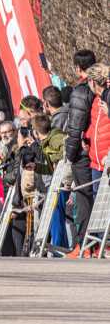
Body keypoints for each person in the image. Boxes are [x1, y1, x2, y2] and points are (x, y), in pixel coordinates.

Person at [63, 49, 97, 257]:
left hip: (83, 153)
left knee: (84, 197)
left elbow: (75, 126)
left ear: (77, 68)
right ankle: (96, 242)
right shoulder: (100, 86)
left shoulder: (81, 90)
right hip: (97, 148)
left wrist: (69, 154)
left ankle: (84, 244)